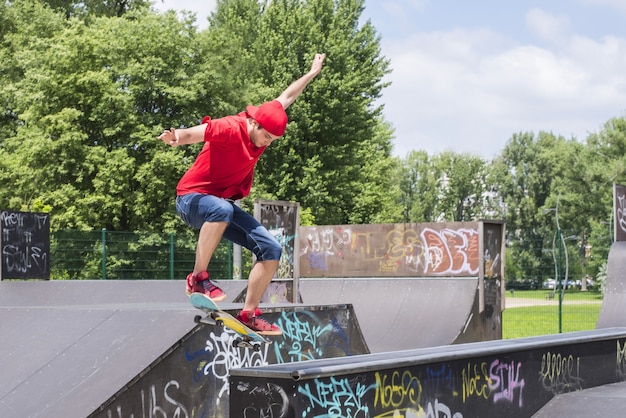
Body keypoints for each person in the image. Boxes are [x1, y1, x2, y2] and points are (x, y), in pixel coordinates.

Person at [158, 53, 326, 335]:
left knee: (271, 249)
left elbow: (287, 96)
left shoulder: (266, 121)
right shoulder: (230, 128)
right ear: (256, 124)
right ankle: (198, 278)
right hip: (190, 199)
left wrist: (311, 73)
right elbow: (193, 133)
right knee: (221, 210)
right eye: (267, 138)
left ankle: (248, 314)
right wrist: (176, 137)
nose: (267, 145)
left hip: (219, 207)